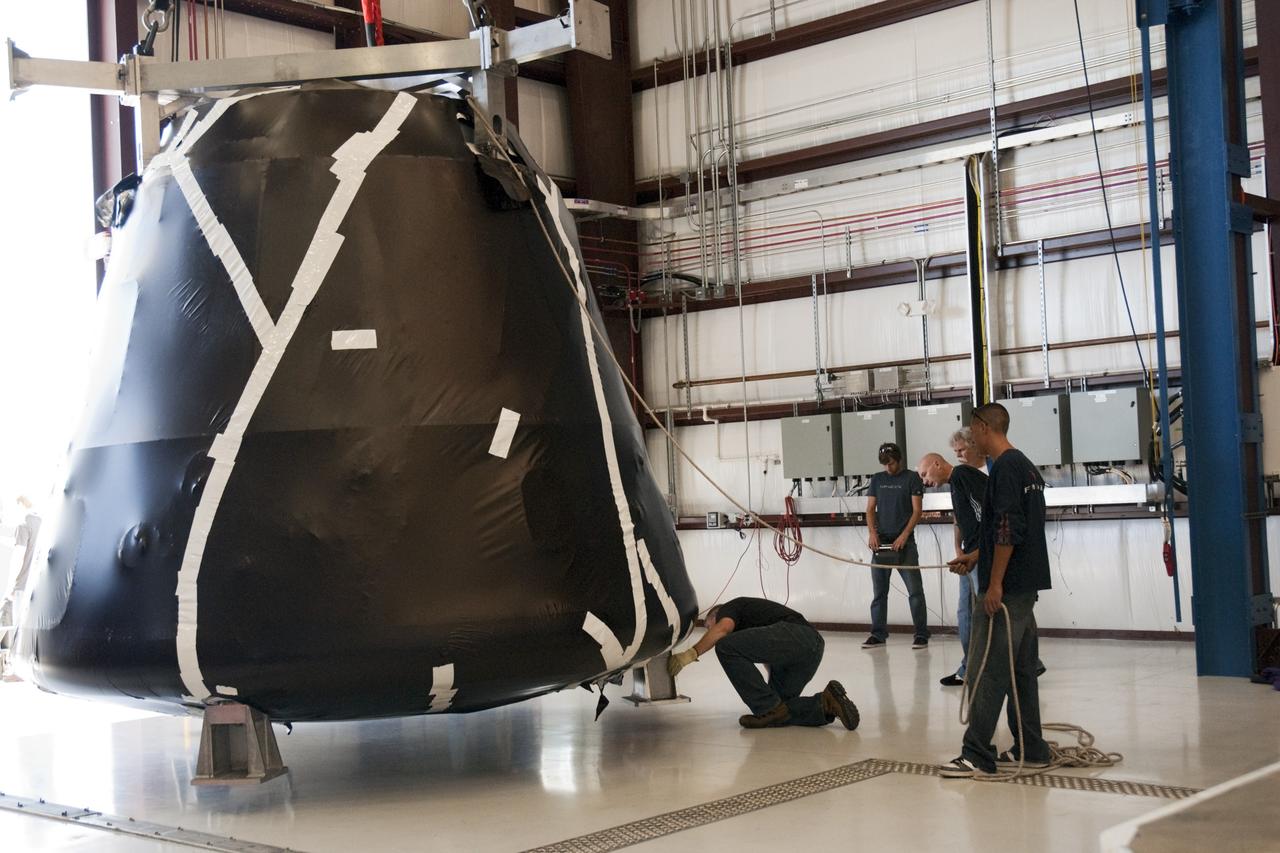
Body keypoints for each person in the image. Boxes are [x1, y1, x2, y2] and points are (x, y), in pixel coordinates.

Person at [940, 403, 1053, 779]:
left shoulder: (1003, 468)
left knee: (988, 667)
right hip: (1025, 585)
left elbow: (1007, 528)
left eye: (974, 429)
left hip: (1008, 588)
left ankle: (976, 754)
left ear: (985, 427)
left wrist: (994, 583)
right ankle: (1031, 747)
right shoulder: (1025, 466)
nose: (972, 437)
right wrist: (975, 556)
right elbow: (1009, 530)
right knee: (1021, 671)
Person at [667, 596, 860, 730]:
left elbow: (723, 629)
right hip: (811, 649)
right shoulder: (753, 627)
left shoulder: (731, 608)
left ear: (715, 615)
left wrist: (691, 654)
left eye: (709, 626)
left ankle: (768, 708)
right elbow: (771, 655)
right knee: (780, 709)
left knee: (725, 646)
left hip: (797, 636)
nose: (711, 631)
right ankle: (827, 702)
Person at [917, 447, 987, 688]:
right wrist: (959, 549)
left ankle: (983, 667)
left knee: (978, 613)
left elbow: (989, 515)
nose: (925, 481)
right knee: (965, 612)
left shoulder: (964, 475)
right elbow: (961, 518)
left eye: (925, 474)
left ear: (937, 464)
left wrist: (976, 554)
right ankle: (969, 667)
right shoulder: (956, 484)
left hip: (981, 557)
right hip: (970, 554)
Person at [863, 442, 928, 649]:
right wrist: (872, 533)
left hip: (905, 543)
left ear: (899, 460)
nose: (888, 468)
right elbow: (871, 508)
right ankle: (878, 633)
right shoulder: (877, 479)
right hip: (881, 542)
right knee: (879, 592)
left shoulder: (912, 478)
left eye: (891, 463)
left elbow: (917, 511)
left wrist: (904, 535)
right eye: (885, 464)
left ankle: (921, 634)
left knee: (915, 591)